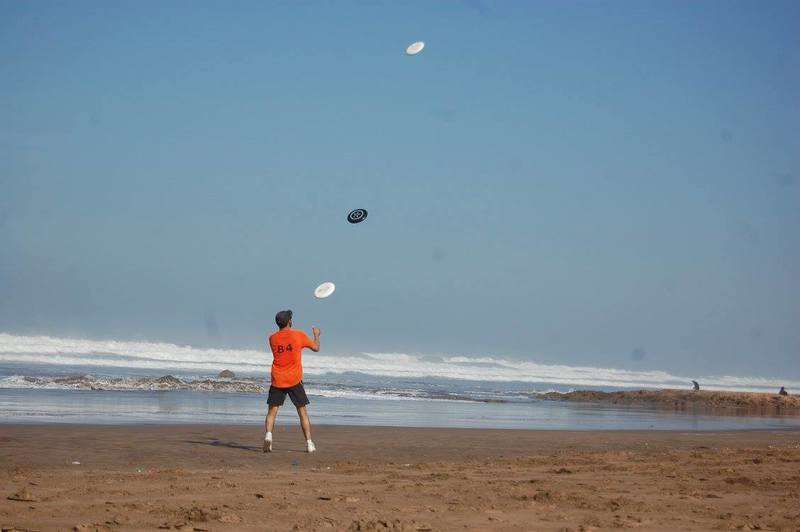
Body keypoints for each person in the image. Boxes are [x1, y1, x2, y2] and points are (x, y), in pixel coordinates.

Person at [263, 309, 321, 453]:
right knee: (302, 412)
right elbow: (316, 348)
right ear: (289, 321)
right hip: (294, 379)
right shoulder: (298, 335)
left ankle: (268, 436)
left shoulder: (272, 338)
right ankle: (309, 443)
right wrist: (316, 335)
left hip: (278, 378)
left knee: (272, 411)